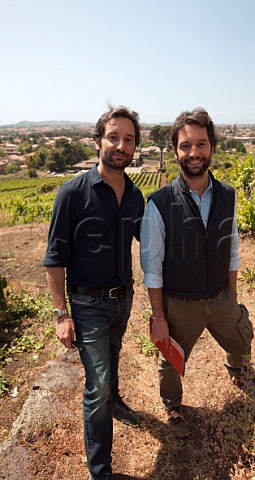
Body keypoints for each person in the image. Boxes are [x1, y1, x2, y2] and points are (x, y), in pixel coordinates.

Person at [140, 107, 255, 439]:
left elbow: (231, 247)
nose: (194, 153)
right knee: (171, 360)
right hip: (180, 303)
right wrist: (159, 315)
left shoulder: (228, 195)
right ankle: (173, 407)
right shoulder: (160, 203)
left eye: (201, 144)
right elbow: (152, 269)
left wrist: (231, 294)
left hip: (220, 297)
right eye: (185, 145)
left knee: (243, 338)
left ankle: (236, 367)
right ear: (176, 150)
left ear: (212, 147)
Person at [44, 105, 144, 480]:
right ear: (98, 141)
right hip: (86, 304)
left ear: (135, 147)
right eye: (113, 137)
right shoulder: (72, 193)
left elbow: (151, 247)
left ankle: (115, 402)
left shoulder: (136, 196)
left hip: (124, 298)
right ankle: (100, 471)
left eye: (129, 139)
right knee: (97, 383)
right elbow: (54, 259)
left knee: (113, 357)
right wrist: (61, 314)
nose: (121, 145)